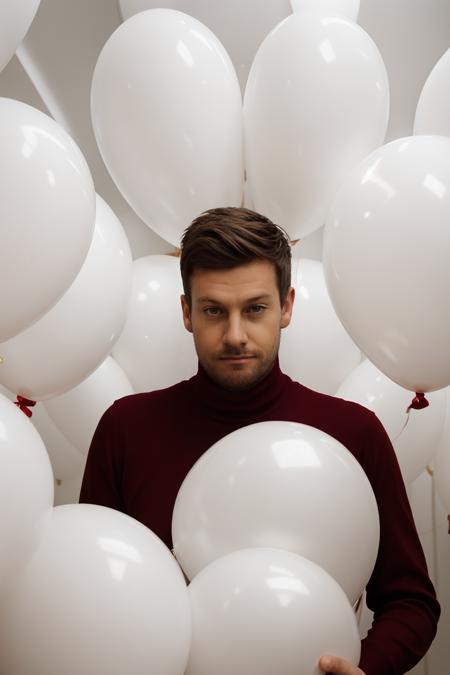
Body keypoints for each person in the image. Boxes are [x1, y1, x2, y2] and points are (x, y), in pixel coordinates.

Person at [80, 207, 440, 675]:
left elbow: (411, 602)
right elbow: (95, 596)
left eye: (255, 309)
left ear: (287, 306)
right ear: (186, 312)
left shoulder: (353, 434)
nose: (235, 335)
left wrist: (365, 668)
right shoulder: (125, 429)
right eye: (213, 310)